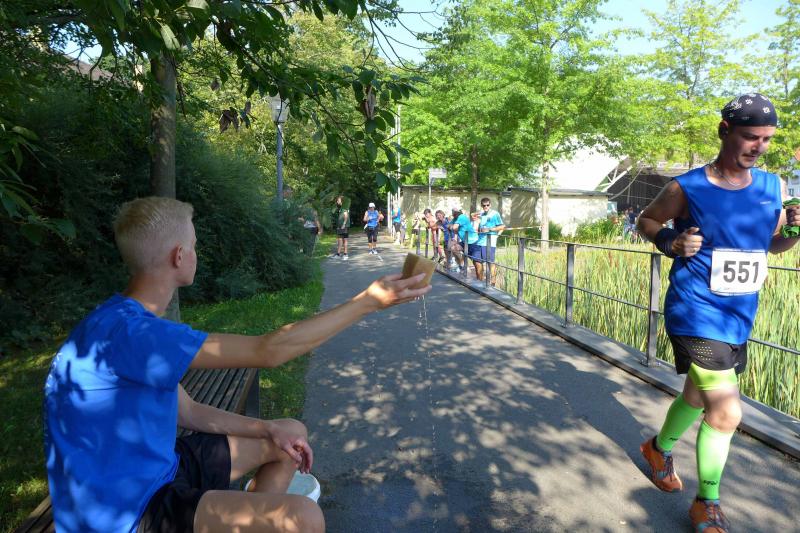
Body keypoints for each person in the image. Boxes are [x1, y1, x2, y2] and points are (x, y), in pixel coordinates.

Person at [43, 196, 431, 533]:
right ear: (179, 256)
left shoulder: (120, 324)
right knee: (303, 518)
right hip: (122, 513)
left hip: (158, 470)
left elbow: (188, 411)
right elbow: (269, 350)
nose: (196, 252)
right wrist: (368, 301)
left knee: (289, 438)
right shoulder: (135, 334)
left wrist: (268, 427)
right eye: (194, 245)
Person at [636, 93, 799, 533]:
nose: (759, 147)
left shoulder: (773, 186)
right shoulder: (687, 186)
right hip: (694, 310)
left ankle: (657, 448)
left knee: (696, 396)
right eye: (750, 136)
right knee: (726, 412)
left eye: (767, 139)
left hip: (738, 314)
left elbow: (773, 245)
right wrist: (670, 241)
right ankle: (706, 503)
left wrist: (795, 229)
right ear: (725, 131)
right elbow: (647, 221)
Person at [478, 197, 506, 286]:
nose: (486, 207)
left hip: (490, 241)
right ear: (481, 206)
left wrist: (491, 230)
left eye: (487, 205)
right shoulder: (481, 214)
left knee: (490, 261)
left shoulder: (495, 214)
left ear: (490, 205)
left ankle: (493, 282)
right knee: (479, 261)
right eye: (484, 205)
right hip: (481, 241)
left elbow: (502, 226)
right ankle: (481, 281)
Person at [450, 208, 479, 278]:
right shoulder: (455, 218)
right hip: (465, 241)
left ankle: (478, 279)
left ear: (459, 212)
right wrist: (452, 228)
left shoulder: (462, 217)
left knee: (475, 262)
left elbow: (453, 227)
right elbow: (449, 226)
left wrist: (453, 228)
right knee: (453, 248)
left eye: (456, 212)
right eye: (453, 212)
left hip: (472, 241)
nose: (454, 213)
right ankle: (462, 266)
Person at [332, 195, 349, 260]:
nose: (337, 201)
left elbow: (346, 216)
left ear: (342, 201)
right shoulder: (340, 208)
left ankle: (345, 254)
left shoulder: (344, 208)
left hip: (344, 227)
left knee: (344, 240)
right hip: (340, 227)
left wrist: (344, 224)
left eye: (338, 200)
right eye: (337, 200)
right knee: (340, 240)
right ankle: (338, 254)